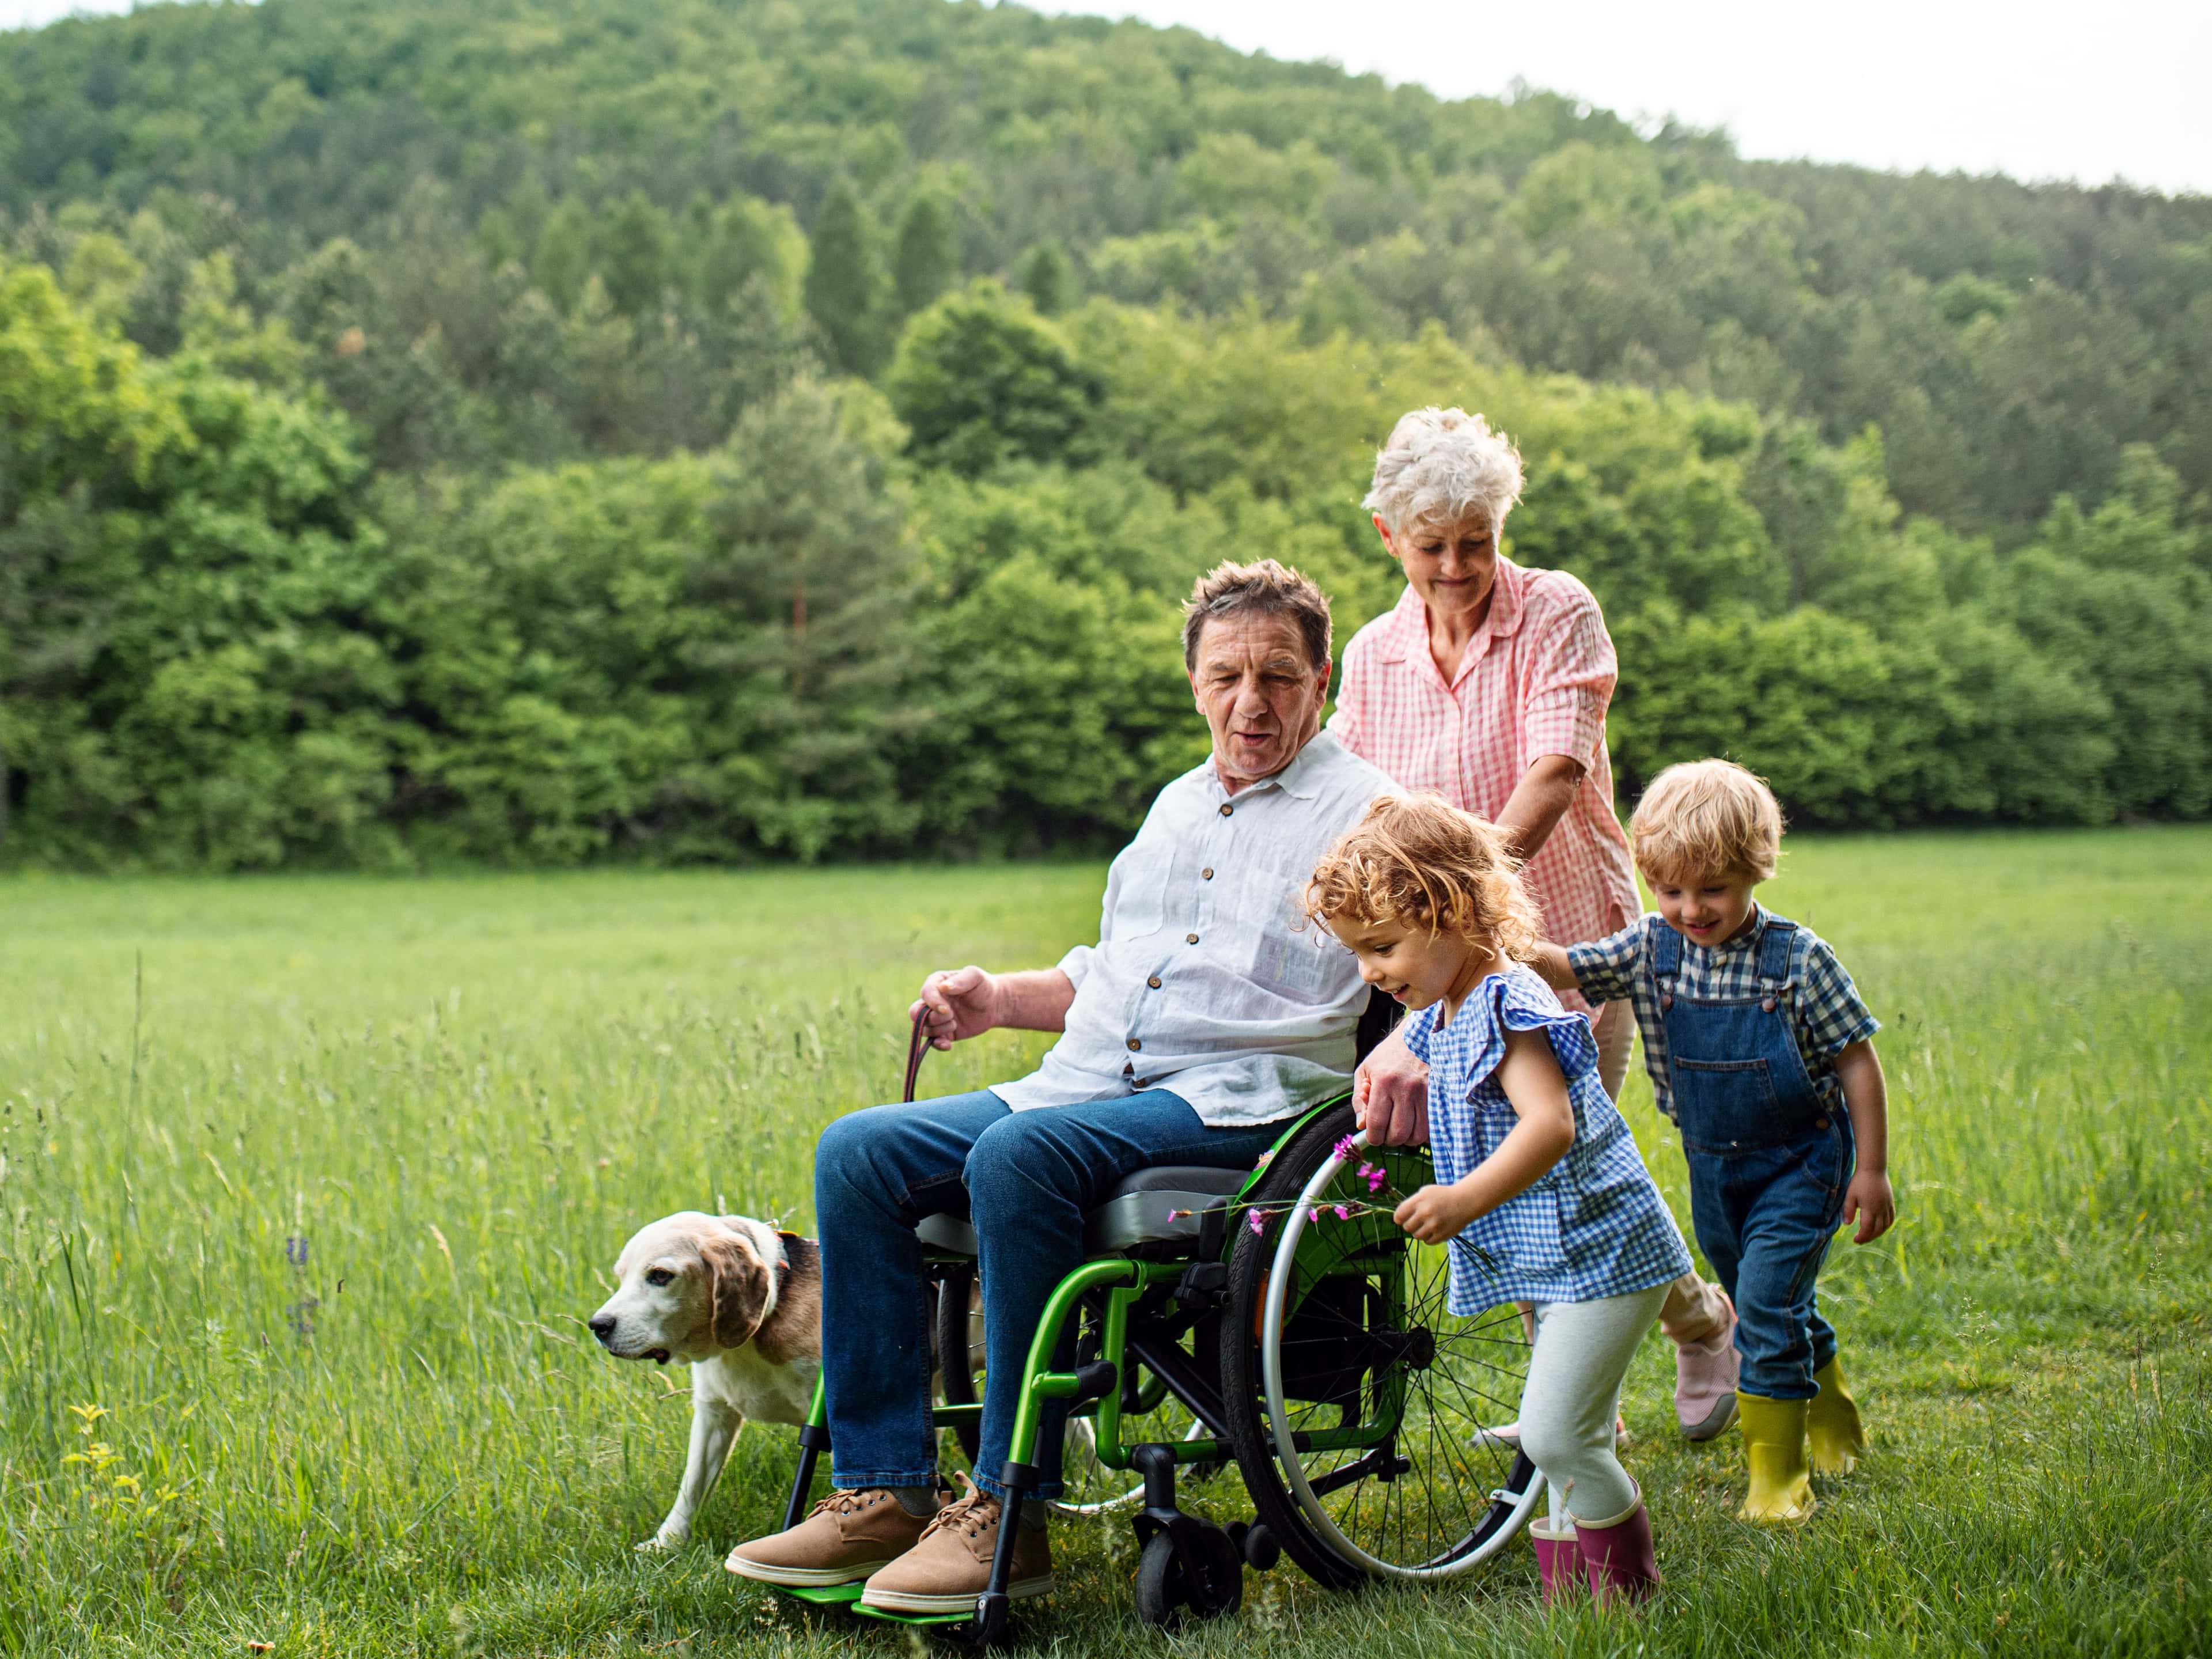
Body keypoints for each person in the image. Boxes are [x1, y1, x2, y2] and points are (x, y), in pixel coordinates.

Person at [725, 560, 1393, 1613]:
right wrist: (996, 997)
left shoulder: (1369, 812)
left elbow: (1462, 950)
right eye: (1226, 677)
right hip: (1093, 1080)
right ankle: (886, 1489)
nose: (1250, 702)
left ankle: (1009, 1506)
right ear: (1193, 683)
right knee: (859, 1150)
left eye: (1277, 675)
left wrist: (1408, 1041)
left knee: (1019, 1156)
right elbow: (1109, 973)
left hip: (1242, 1100)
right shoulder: (1177, 807)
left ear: (1324, 682)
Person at [1330, 405, 1740, 1441]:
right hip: (1445, 964)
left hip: (1566, 942)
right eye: (1434, 548)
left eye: (1480, 542)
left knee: (1566, 1157)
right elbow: (1358, 803)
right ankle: (1599, 1378)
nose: (1459, 567)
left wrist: (1469, 894)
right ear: (1390, 538)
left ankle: (1642, 1363)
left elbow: (1555, 772)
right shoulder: (1375, 655)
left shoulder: (1558, 611)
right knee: (1509, 1163)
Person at [1304, 793, 1691, 1605]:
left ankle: (1632, 1596)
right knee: (1568, 1440)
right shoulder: (1447, 1010)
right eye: (1358, 956)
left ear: (1452, 911)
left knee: (1557, 1434)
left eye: (1383, 947)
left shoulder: (1507, 1001)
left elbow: (1547, 1125)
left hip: (1606, 1250)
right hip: (1560, 1255)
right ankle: (1578, 1609)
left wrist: (1462, 1200)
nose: (1371, 972)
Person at [1530, 759, 1895, 1522]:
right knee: (1778, 1302)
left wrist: (1873, 1170)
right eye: (1670, 891)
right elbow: (1569, 965)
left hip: (1804, 1160)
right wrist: (1491, 938)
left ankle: (1779, 1474)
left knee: (1762, 1303)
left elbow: (1858, 1060)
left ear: (1754, 871)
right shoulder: (1649, 948)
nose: (1691, 909)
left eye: (1713, 890)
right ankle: (1829, 1409)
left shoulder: (1798, 961)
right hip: (1714, 1169)